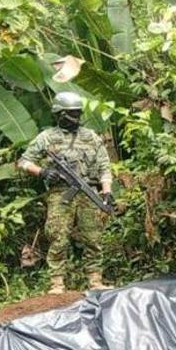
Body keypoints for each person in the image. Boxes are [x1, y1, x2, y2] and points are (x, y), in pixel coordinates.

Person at [18, 92, 114, 294]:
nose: (76, 117)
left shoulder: (91, 137)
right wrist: (43, 172)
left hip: (88, 192)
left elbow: (105, 166)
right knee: (58, 236)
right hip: (61, 194)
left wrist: (107, 192)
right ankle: (57, 283)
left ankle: (95, 280)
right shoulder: (47, 137)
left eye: (78, 113)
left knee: (93, 237)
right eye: (71, 113)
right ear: (59, 114)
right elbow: (24, 161)